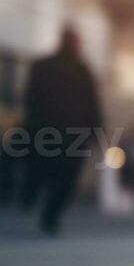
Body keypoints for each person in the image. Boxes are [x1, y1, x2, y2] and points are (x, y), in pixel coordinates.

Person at [20, 27, 103, 235]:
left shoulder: (43, 66)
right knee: (65, 179)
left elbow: (30, 100)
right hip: (71, 135)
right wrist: (96, 132)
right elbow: (93, 104)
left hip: (48, 132)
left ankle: (35, 201)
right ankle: (49, 215)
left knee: (46, 171)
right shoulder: (82, 69)